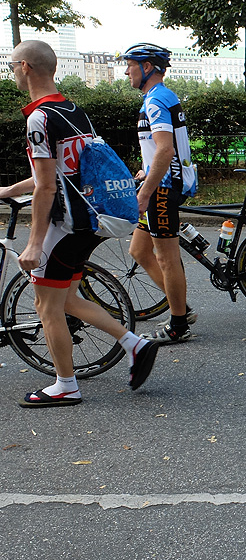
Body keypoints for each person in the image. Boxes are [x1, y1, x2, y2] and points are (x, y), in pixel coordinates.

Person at [0, 40, 157, 408]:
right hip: (88, 221)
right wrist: (8, 189)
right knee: (67, 299)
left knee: (46, 306)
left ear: (26, 67)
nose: (11, 73)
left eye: (11, 66)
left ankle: (65, 385)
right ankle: (135, 344)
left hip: (63, 226)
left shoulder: (38, 118)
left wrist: (35, 243)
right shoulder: (73, 110)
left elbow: (46, 185)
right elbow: (58, 173)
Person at [122, 43, 197, 343]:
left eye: (130, 64)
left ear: (148, 67)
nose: (126, 70)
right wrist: (145, 169)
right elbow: (159, 151)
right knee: (139, 251)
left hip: (163, 189)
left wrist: (145, 192)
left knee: (166, 258)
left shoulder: (156, 100)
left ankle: (179, 324)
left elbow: (165, 149)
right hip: (159, 182)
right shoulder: (157, 98)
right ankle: (182, 307)